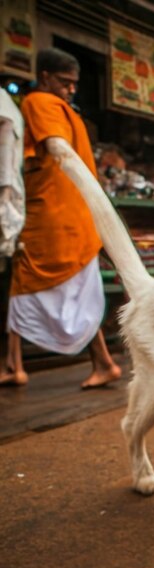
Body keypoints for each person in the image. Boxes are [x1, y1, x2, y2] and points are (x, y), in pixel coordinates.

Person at [1, 48, 121, 388]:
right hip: (77, 215)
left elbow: (57, 146)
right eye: (65, 83)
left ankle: (16, 364)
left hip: (54, 216)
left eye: (73, 85)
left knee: (23, 282)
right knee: (72, 292)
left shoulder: (39, 103)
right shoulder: (57, 108)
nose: (70, 90)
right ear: (46, 77)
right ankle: (100, 360)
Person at [0, 82, 25, 373]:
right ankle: (13, 363)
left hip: (9, 212)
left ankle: (13, 364)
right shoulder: (10, 110)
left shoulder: (5, 112)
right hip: (11, 213)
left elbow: (5, 176)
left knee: (16, 286)